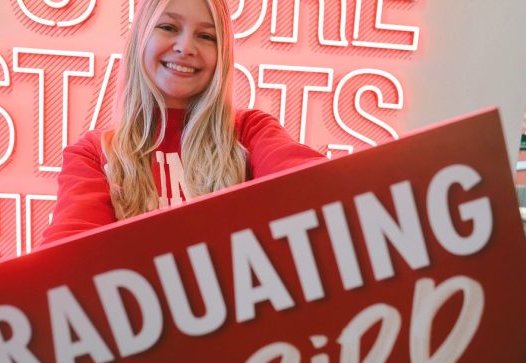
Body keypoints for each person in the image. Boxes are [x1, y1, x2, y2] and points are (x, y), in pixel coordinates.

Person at [41, 0, 325, 245]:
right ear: (141, 37)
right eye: (169, 27)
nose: (185, 47)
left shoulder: (249, 132)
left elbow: (315, 187)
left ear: (221, 56)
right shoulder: (94, 153)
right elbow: (67, 255)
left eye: (206, 36)